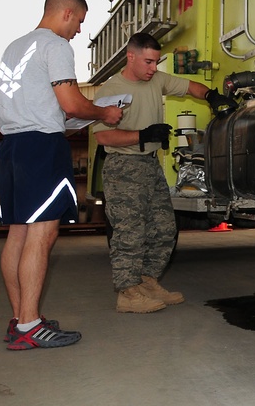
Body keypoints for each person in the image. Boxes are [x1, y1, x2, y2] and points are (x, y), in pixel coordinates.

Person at [0, 0, 124, 350]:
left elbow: (38, 103)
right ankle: (29, 326)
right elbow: (70, 103)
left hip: (12, 147)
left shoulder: (14, 47)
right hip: (41, 148)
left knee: (18, 234)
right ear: (66, 13)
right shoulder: (55, 45)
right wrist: (104, 113)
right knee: (42, 234)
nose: (79, 31)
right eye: (80, 22)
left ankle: (21, 318)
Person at [92, 32, 234, 313]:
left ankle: (146, 282)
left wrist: (211, 96)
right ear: (130, 57)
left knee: (164, 228)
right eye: (148, 61)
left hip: (149, 165)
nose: (153, 68)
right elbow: (103, 138)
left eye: (156, 62)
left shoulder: (155, 79)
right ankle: (127, 293)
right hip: (123, 167)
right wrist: (142, 135)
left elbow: (188, 86)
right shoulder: (110, 90)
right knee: (129, 232)